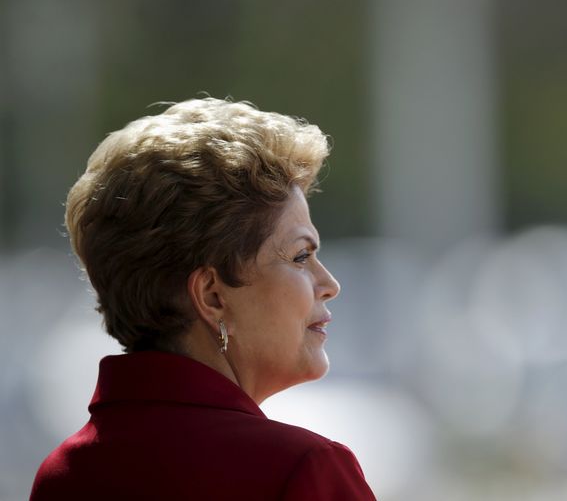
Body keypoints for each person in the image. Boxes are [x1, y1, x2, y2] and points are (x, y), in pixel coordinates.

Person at [30, 98, 377, 500]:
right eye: (301, 256)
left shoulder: (63, 473)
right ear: (212, 296)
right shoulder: (300, 467)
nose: (329, 283)